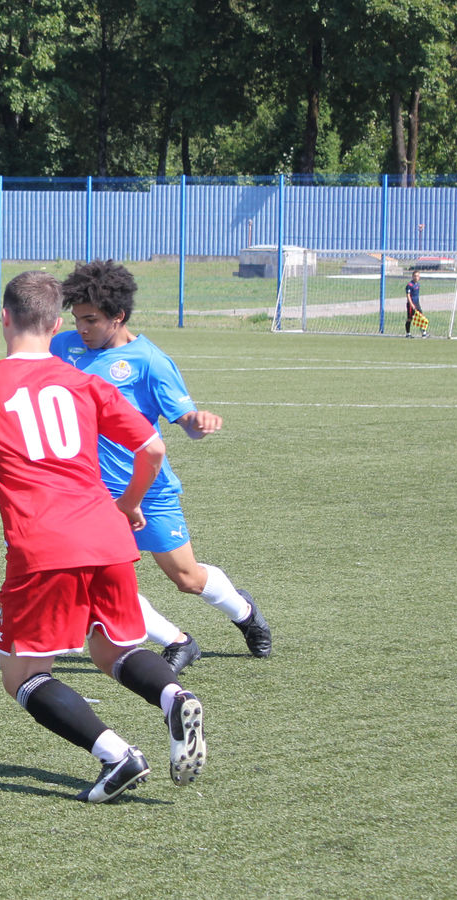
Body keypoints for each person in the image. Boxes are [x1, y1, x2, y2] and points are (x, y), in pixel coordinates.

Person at [0, 270, 205, 801]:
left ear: (4, 317)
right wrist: (128, 505)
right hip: (108, 536)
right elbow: (154, 450)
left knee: (22, 676)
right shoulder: (86, 382)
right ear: (55, 325)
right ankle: (173, 697)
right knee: (110, 650)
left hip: (43, 545)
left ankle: (118, 757)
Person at [52, 260, 270, 676]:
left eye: (91, 320)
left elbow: (184, 422)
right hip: (89, 494)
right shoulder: (64, 348)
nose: (81, 328)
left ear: (119, 317)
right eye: (77, 318)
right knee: (96, 582)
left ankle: (244, 613)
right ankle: (177, 641)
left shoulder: (150, 362)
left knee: (186, 578)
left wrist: (198, 423)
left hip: (146, 490)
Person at [404, 270, 428, 337]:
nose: (416, 277)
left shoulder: (418, 284)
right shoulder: (409, 285)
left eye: (417, 276)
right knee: (410, 318)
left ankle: (423, 332)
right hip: (411, 304)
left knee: (421, 317)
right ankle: (408, 333)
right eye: (415, 276)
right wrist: (411, 304)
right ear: (412, 277)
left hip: (417, 303)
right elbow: (408, 295)